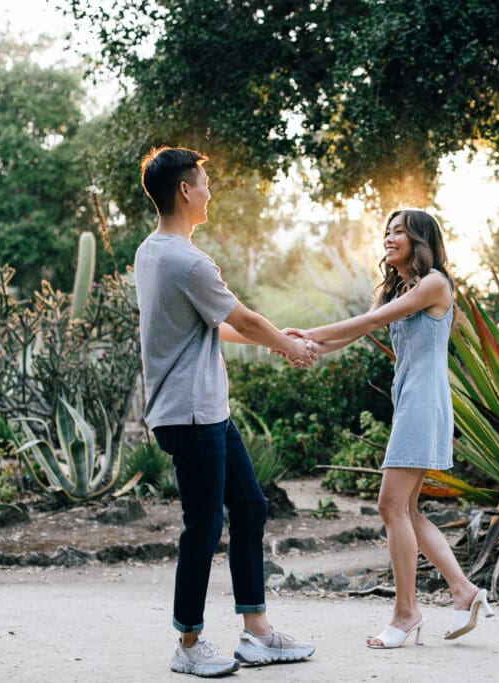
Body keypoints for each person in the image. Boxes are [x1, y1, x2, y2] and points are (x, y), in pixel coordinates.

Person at [134, 146, 318, 677]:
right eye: (204, 183)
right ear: (185, 191)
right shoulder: (187, 260)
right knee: (204, 524)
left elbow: (214, 324)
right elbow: (243, 315)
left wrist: (272, 341)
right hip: (190, 412)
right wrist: (288, 344)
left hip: (203, 410)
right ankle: (189, 643)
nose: (210, 192)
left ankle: (257, 633)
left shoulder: (153, 252)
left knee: (251, 507)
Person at [287, 209, 493, 649]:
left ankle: (406, 612)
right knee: (407, 511)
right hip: (411, 404)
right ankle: (464, 591)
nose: (389, 237)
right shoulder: (402, 289)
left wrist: (307, 333)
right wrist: (306, 347)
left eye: (399, 231)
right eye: (387, 230)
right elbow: (357, 332)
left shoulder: (435, 283)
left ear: (421, 240)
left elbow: (369, 323)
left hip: (423, 403)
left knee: (390, 506)